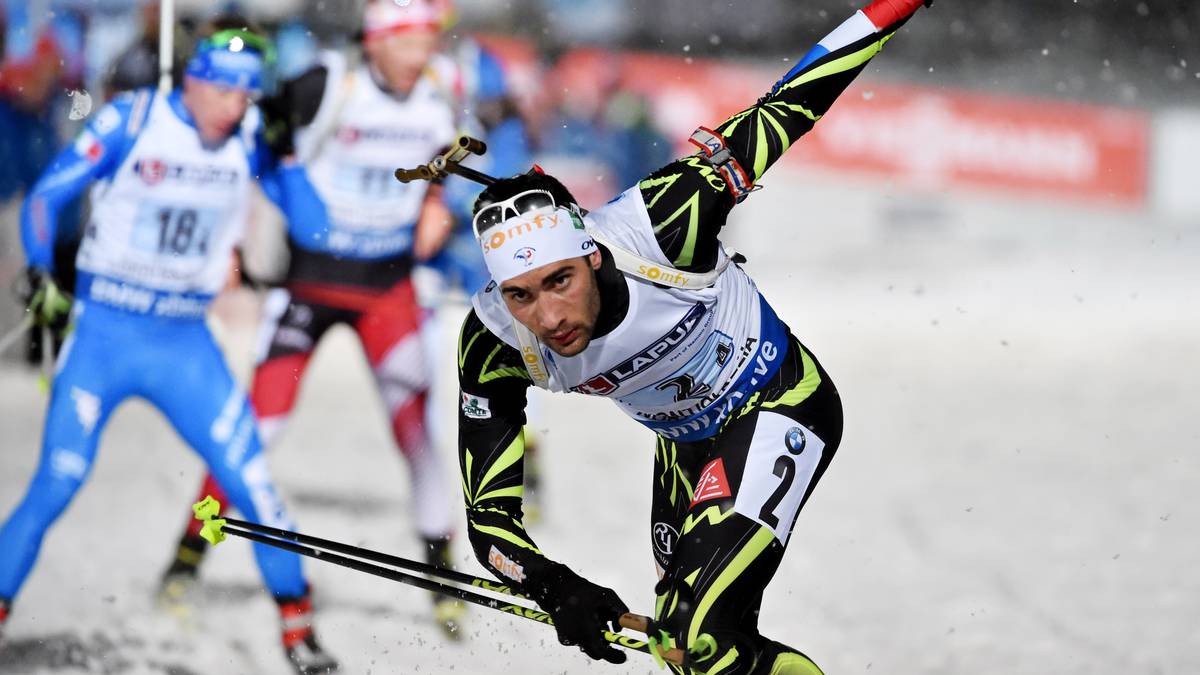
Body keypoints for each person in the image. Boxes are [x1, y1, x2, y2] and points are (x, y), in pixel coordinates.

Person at [452, 1, 932, 673]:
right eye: (522, 295)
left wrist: (891, 9)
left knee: (697, 629)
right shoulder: (496, 341)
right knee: (693, 652)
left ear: (590, 254)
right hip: (686, 444)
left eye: (560, 280)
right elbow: (490, 525)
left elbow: (791, 101)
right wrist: (559, 588)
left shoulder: (666, 220)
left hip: (778, 399)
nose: (549, 315)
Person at [0, 21, 339, 675]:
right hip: (105, 334)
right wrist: (44, 274)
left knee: (255, 485)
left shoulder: (249, 136)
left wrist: (287, 154)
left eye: (247, 96)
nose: (236, 107)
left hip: (186, 343)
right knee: (58, 481)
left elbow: (315, 227)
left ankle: (300, 638)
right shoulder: (135, 117)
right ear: (194, 82)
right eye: (224, 92)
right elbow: (45, 198)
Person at [157, 0, 465, 637]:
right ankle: (184, 565)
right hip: (311, 283)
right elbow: (255, 140)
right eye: (412, 40)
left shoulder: (442, 88)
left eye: (430, 39)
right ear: (379, 41)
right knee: (256, 433)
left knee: (418, 436)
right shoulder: (328, 81)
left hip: (388, 288)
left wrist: (439, 202)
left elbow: (442, 159)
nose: (423, 53)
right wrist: (258, 220)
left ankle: (444, 584)